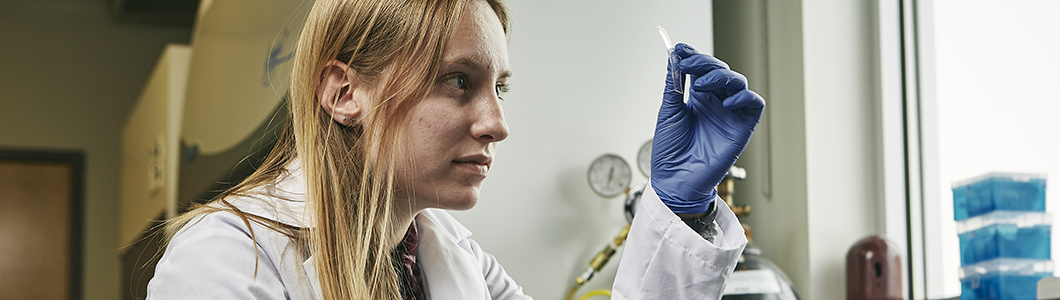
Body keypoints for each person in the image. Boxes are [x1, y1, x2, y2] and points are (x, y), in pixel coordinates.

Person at [146, 0, 765, 299]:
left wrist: (679, 205)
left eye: (499, 88)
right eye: (458, 82)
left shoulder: (454, 260)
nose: (496, 123)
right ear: (342, 93)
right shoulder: (227, 260)